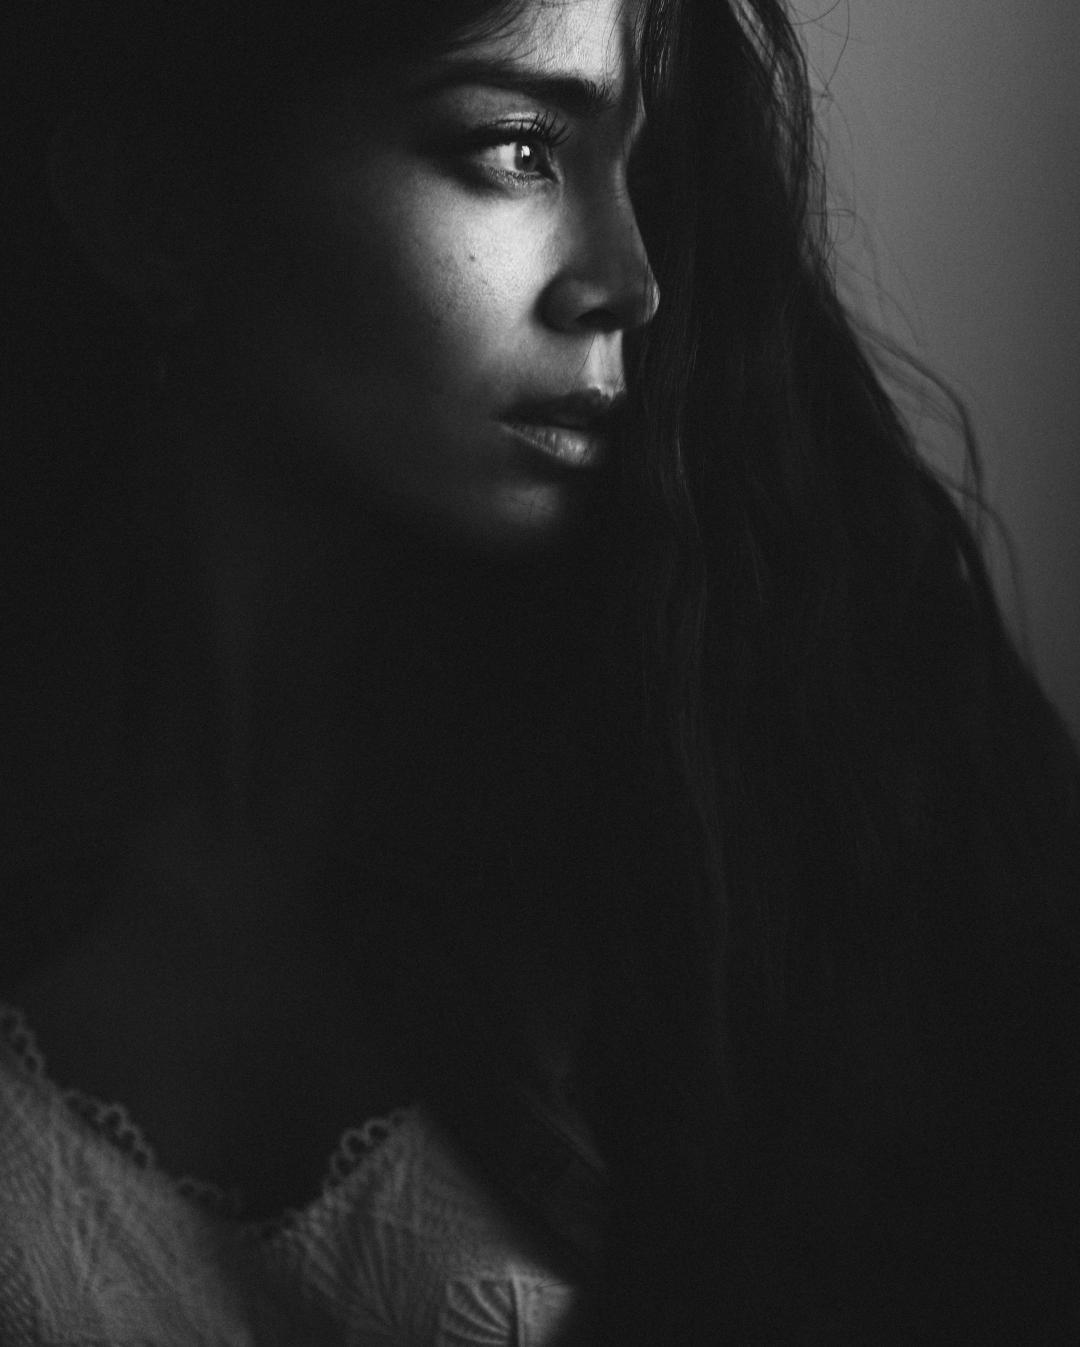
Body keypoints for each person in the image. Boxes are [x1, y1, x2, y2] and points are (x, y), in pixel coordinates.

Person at [3, 0, 1078, 1341]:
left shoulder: (758, 846)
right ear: (146, 200)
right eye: (517, 148)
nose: (627, 280)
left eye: (644, 168)